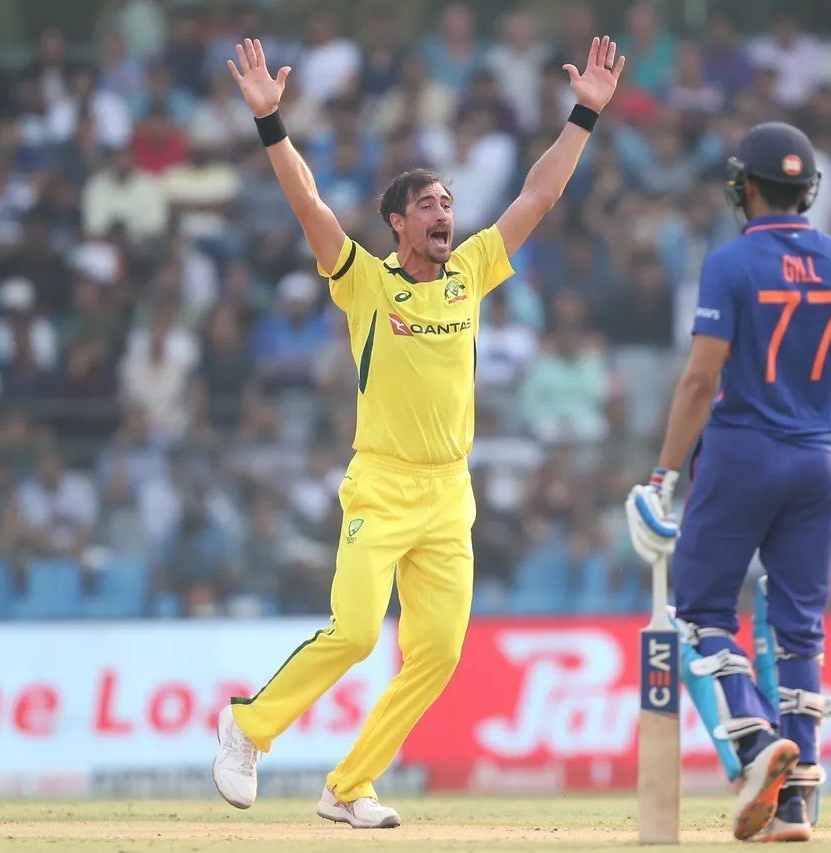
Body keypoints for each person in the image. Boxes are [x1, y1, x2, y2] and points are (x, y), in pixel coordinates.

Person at [213, 35, 626, 827]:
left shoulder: (470, 271)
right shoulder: (366, 281)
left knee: (437, 654)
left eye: (448, 203)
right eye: (429, 205)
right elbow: (309, 205)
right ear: (399, 223)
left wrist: (584, 115)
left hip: (448, 493)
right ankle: (247, 723)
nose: (446, 213)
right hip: (382, 481)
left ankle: (348, 786)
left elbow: (536, 197)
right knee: (360, 629)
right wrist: (272, 123)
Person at [626, 123, 831, 842]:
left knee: (702, 609)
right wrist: (818, 424)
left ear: (749, 187)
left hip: (741, 455)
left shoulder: (731, 264)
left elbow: (702, 377)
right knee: (800, 631)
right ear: (809, 190)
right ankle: (793, 804)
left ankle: (751, 742)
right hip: (815, 460)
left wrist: (662, 473)